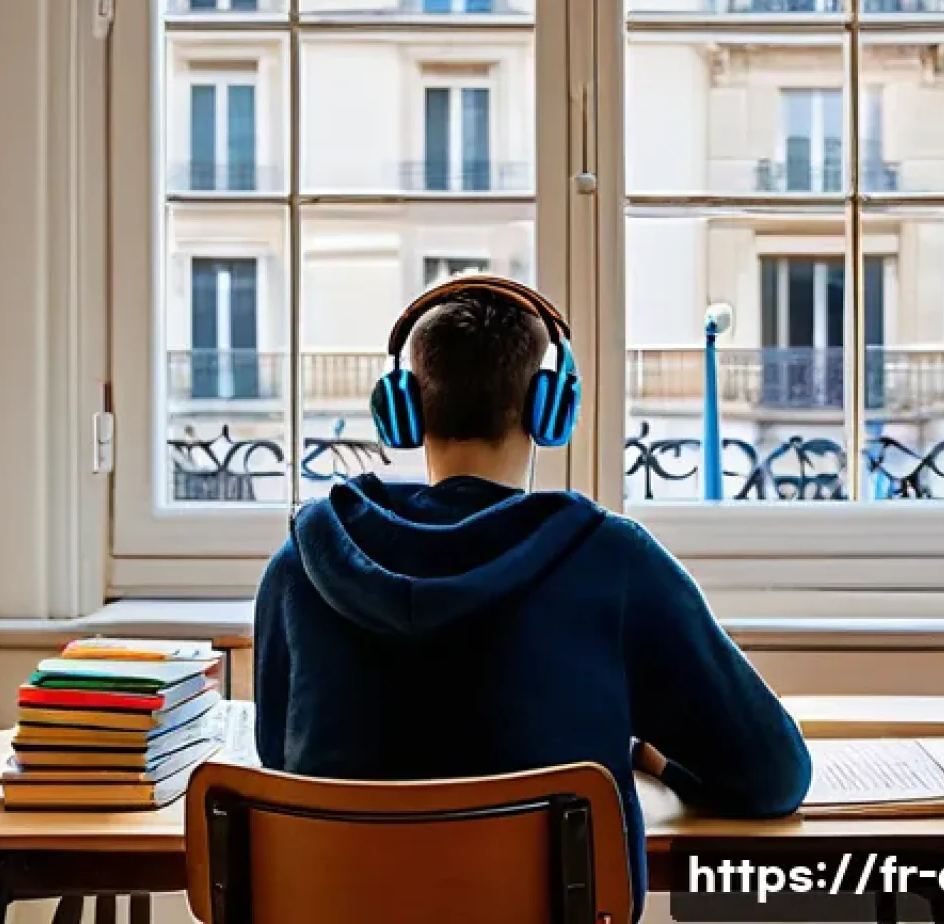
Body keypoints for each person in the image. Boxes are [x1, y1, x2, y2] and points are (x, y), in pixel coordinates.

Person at [254, 275, 811, 920]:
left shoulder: (303, 564)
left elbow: (278, 760)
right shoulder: (611, 560)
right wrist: (656, 760)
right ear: (549, 408)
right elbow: (772, 776)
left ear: (404, 407)